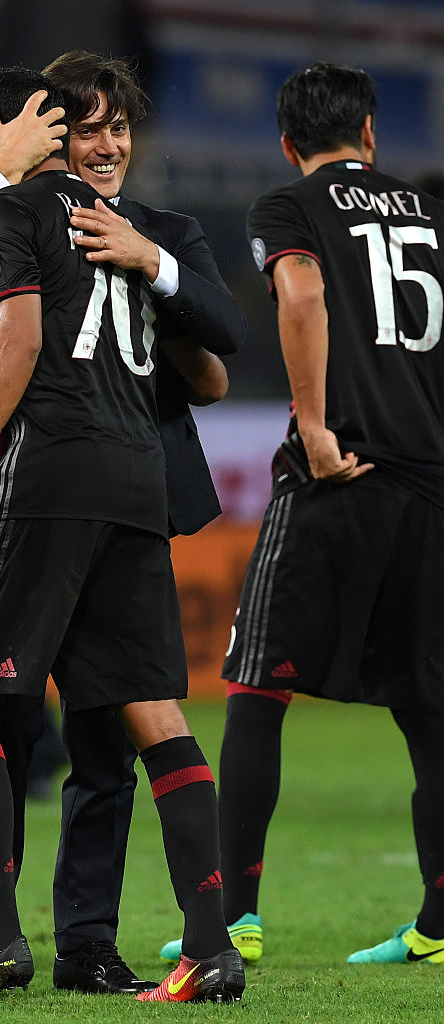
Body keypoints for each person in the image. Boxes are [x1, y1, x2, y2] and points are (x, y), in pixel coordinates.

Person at [0, 52, 245, 995]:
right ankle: (209, 949)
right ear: (51, 130)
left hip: (44, 477)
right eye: (83, 127)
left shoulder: (73, 220)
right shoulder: (55, 212)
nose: (104, 144)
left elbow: (13, 338)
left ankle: (2, 940)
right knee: (151, 710)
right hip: (133, 482)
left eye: (117, 127)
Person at [158, 61, 444, 969]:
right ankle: (439, 925)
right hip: (430, 484)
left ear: (286, 144)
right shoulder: (430, 213)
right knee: (429, 706)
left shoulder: (288, 207)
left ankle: (235, 917)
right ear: (370, 133)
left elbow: (303, 293)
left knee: (257, 687)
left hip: (339, 474)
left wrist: (315, 426)